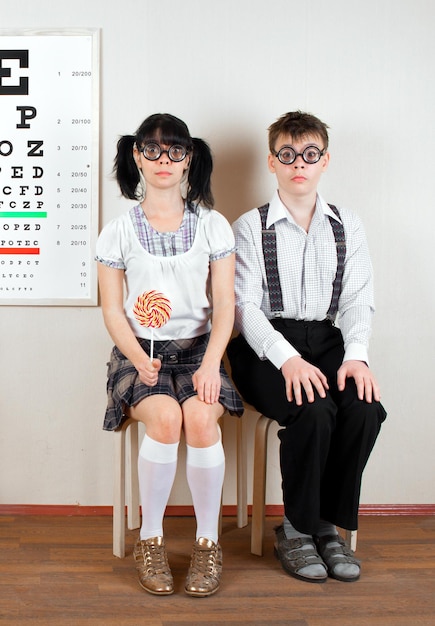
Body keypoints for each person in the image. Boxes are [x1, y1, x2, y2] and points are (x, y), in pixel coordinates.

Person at [227, 111, 386, 584]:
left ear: (324, 161)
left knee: (364, 408)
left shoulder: (346, 226)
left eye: (310, 155)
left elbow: (359, 298)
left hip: (328, 340)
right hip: (265, 348)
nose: (300, 163)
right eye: (288, 155)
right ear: (272, 162)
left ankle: (325, 525)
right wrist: (287, 359)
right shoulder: (251, 227)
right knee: (312, 409)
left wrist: (356, 354)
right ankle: (296, 530)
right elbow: (242, 307)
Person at [96, 113, 243, 597]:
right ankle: (152, 538)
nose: (164, 160)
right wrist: (138, 359)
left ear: (189, 159)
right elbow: (113, 311)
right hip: (140, 352)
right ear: (137, 155)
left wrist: (209, 364)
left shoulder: (213, 226)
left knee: (201, 421)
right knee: (164, 420)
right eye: (153, 150)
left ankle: (206, 543)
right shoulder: (117, 231)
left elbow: (225, 306)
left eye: (175, 151)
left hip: (201, 350)